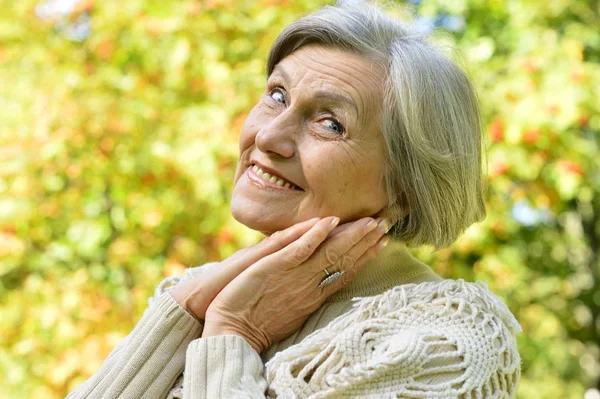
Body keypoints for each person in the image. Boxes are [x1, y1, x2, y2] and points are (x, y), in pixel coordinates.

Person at [67, 1, 521, 398]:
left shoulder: (449, 338)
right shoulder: (199, 291)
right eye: (277, 95)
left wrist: (234, 332)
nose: (268, 136)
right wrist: (183, 313)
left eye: (330, 123)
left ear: (406, 187)